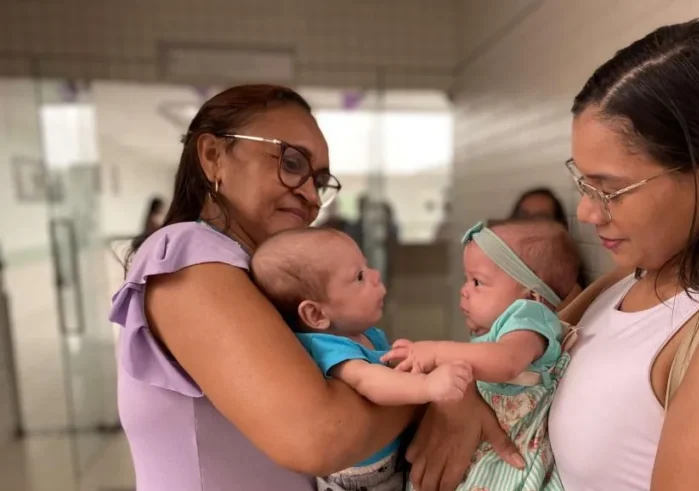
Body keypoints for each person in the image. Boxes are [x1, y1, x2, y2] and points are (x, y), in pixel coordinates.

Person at [405, 17, 699, 491]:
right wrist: (462, 399)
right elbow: (513, 361)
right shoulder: (626, 280)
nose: (586, 212)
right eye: (583, 183)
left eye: (610, 190)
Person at [109, 85, 526, 491]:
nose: (310, 195)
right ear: (213, 156)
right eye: (291, 162)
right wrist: (432, 396)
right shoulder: (187, 254)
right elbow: (320, 435)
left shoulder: (254, 277)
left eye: (320, 180)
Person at [250, 227, 474, 491]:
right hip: (361, 480)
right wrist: (428, 386)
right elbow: (370, 382)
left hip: (388, 456)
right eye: (359, 276)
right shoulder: (328, 347)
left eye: (366, 267)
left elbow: (389, 365)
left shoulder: (365, 334)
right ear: (316, 314)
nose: (375, 275)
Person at [382, 219, 580, 490]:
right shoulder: (503, 330)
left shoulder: (530, 317)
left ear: (531, 296)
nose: (464, 290)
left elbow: (506, 362)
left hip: (507, 459)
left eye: (477, 282)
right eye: (467, 279)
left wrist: (436, 352)